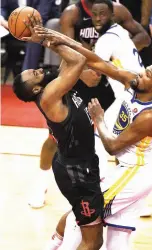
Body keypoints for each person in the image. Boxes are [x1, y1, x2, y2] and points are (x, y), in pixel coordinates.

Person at [34, 20, 152, 250]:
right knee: (117, 239)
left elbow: (112, 147)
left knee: (79, 218)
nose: (141, 74)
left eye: (147, 75)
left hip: (135, 174)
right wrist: (58, 38)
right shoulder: (134, 82)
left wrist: (98, 119)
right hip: (129, 170)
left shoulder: (151, 116)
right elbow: (96, 61)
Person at [29, 0, 151, 209]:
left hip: (109, 84)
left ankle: (124, 190)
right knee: (55, 137)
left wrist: (114, 54)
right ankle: (41, 184)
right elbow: (64, 50)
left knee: (118, 137)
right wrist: (82, 72)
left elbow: (144, 37)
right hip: (81, 79)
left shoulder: (117, 10)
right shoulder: (72, 14)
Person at [13, 17, 104, 250]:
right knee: (93, 241)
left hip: (79, 164)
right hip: (77, 172)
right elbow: (79, 60)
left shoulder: (55, 85)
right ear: (35, 88)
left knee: (80, 217)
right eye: (33, 74)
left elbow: (70, 57)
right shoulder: (49, 95)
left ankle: (54, 243)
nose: (35, 69)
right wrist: (44, 40)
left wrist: (47, 38)